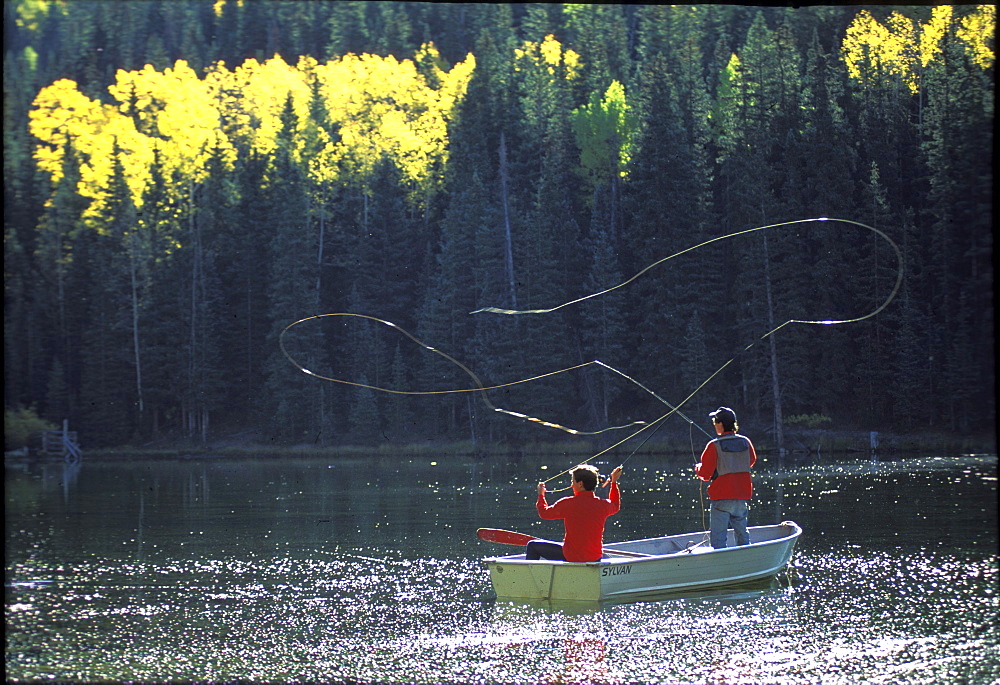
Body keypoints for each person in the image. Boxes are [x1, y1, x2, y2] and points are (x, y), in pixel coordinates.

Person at [525, 464, 622, 562]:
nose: (571, 485)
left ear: (580, 484)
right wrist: (613, 482)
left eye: (573, 481)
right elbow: (615, 505)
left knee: (532, 546)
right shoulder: (603, 505)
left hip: (571, 557)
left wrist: (541, 495)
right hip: (595, 557)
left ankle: (529, 577)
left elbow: (544, 513)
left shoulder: (567, 503)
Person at [695, 406, 756, 549]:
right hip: (741, 496)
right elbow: (751, 461)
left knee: (718, 540)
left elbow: (704, 474)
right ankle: (746, 560)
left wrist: (697, 468)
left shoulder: (713, 445)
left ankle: (719, 567)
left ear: (720, 424)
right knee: (742, 535)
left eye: (715, 422)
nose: (714, 425)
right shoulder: (746, 442)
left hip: (721, 498)